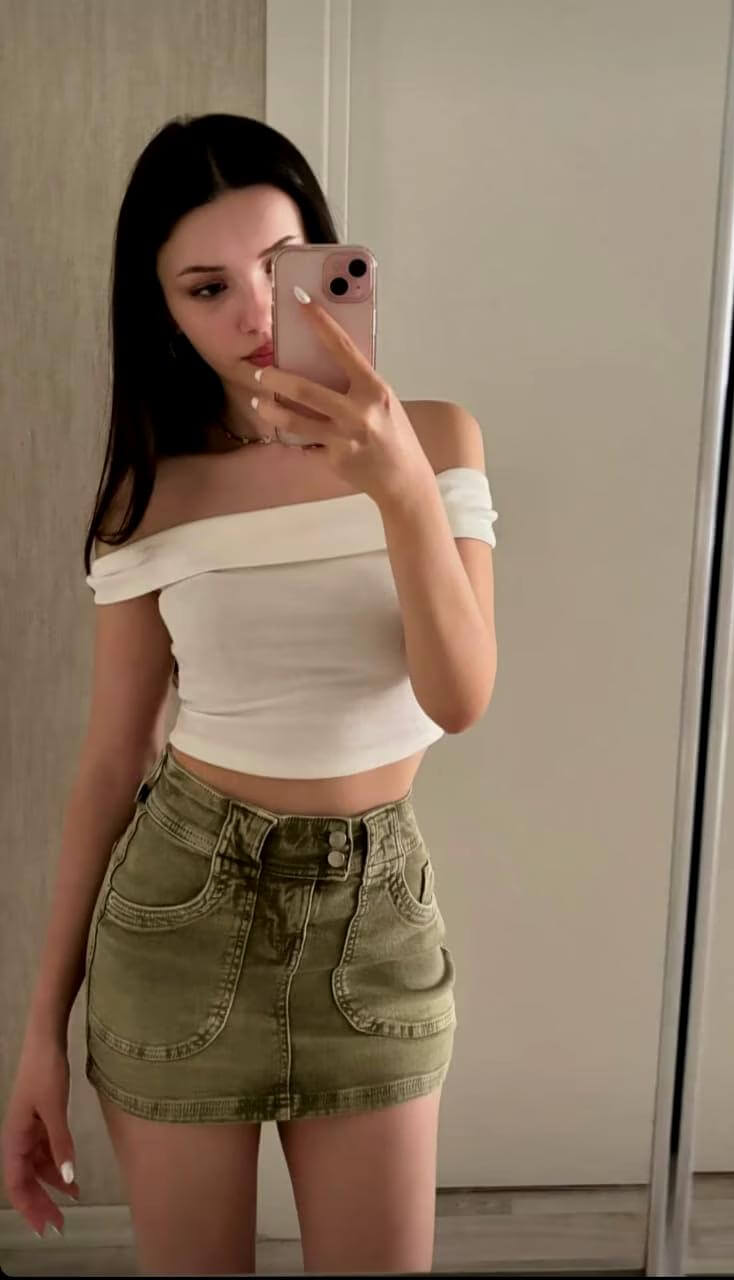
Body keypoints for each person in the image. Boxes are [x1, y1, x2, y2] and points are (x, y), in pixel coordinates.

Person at [1, 113, 498, 1275]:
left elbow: (459, 695)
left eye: (277, 267)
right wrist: (38, 1032)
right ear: (163, 313)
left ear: (328, 256)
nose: (255, 312)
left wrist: (398, 486)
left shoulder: (436, 438)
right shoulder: (151, 493)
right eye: (206, 288)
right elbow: (111, 763)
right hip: (178, 919)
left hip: (374, 923)